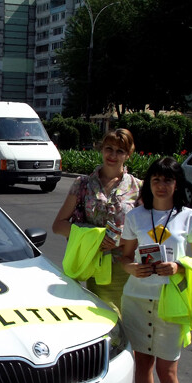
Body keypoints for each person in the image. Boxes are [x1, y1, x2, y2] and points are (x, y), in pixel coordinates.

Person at [119, 157, 192, 383]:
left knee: (168, 368)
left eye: (167, 180)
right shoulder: (136, 216)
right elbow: (124, 257)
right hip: (137, 298)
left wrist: (180, 266)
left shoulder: (190, 218)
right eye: (156, 179)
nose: (161, 185)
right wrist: (132, 268)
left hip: (171, 301)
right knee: (142, 365)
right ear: (149, 183)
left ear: (177, 184)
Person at [52, 128, 142, 311]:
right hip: (89, 263)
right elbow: (58, 226)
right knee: (97, 317)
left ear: (128, 155)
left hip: (122, 268)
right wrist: (95, 236)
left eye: (120, 151)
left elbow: (147, 230)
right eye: (109, 148)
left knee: (123, 320)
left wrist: (119, 241)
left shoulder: (138, 188)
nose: (113, 155)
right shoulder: (82, 184)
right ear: (101, 149)